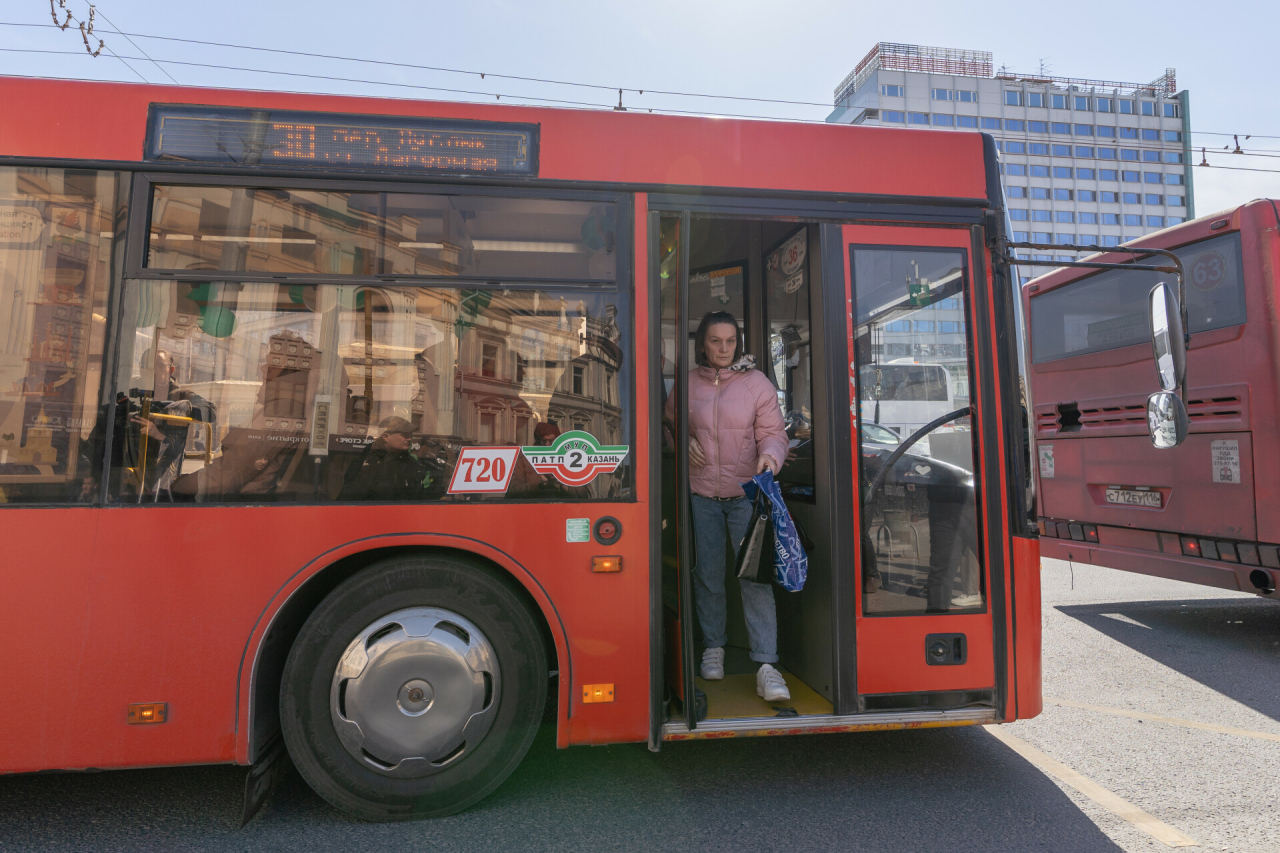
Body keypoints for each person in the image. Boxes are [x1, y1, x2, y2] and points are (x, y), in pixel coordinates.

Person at [664, 311, 791, 703]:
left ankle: (766, 666)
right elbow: (668, 425)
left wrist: (770, 457)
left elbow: (774, 434)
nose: (723, 348)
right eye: (715, 341)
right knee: (708, 576)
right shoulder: (685, 384)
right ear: (702, 344)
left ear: (738, 343)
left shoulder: (757, 385)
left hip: (745, 498)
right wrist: (680, 442)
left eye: (730, 341)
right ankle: (714, 648)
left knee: (753, 579)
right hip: (700, 495)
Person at [338, 416, 429, 501]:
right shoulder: (365, 464)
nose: (409, 439)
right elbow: (347, 502)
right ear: (385, 437)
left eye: (410, 434)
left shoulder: (412, 463)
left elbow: (422, 497)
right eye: (404, 435)